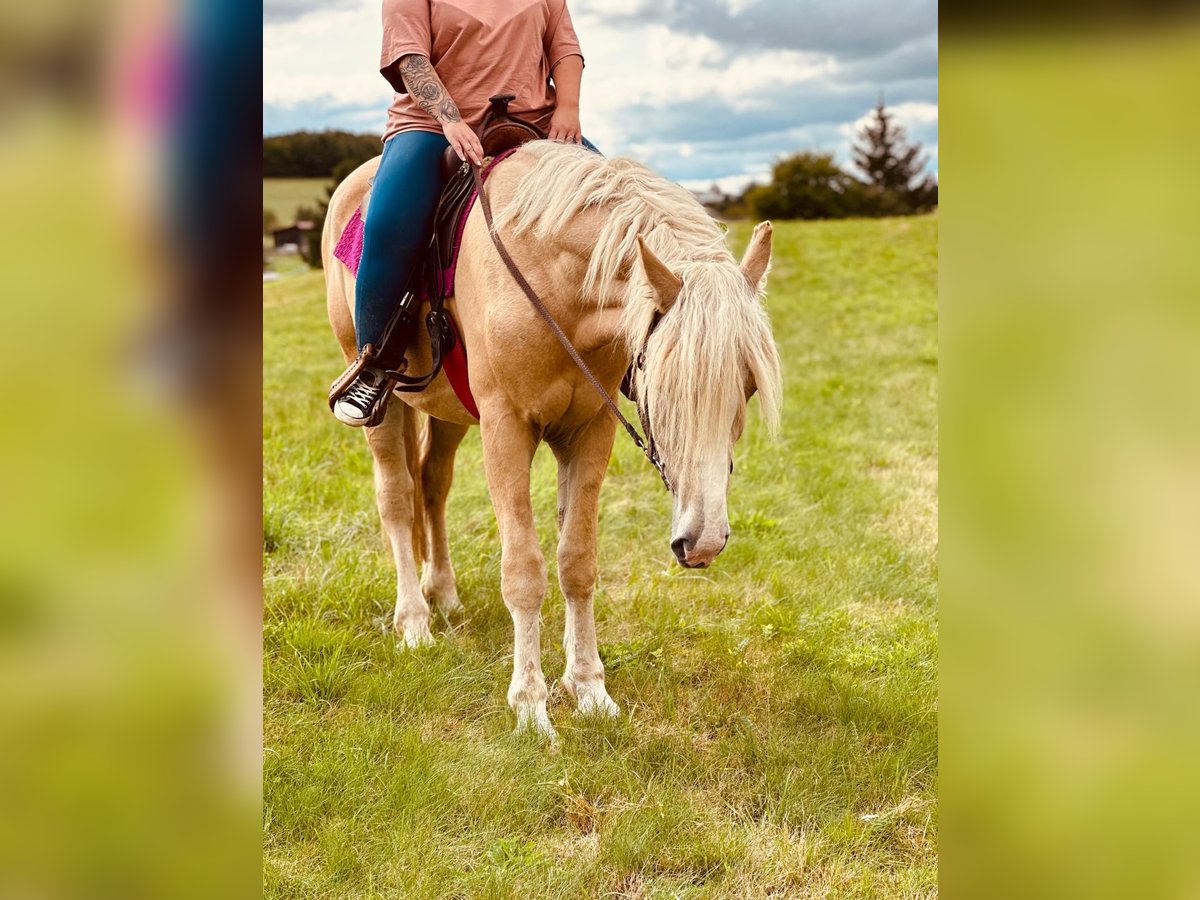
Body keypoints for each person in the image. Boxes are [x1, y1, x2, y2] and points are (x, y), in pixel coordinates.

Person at [331, 0, 592, 426]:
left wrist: (568, 108)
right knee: (388, 223)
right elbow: (410, 58)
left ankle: (628, 353)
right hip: (432, 127)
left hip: (534, 124)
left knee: (611, 204)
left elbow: (565, 49)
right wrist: (450, 120)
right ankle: (374, 364)